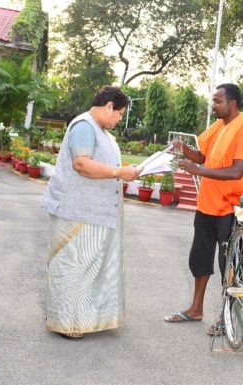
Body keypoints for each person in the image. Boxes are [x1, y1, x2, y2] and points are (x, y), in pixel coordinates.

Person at [41, 86, 139, 339]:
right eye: (119, 114)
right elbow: (81, 164)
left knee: (89, 268)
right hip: (77, 212)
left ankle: (82, 318)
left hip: (93, 212)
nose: (119, 119)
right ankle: (66, 322)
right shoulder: (84, 126)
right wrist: (119, 173)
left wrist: (122, 170)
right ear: (109, 106)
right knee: (74, 267)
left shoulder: (101, 131)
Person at [164, 83, 243, 335]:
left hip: (229, 208)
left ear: (232, 104)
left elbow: (237, 171)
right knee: (200, 259)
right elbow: (203, 157)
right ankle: (196, 309)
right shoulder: (218, 128)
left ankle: (226, 316)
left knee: (228, 265)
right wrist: (184, 149)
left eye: (217, 101)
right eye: (213, 101)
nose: (213, 106)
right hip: (206, 205)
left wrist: (199, 171)